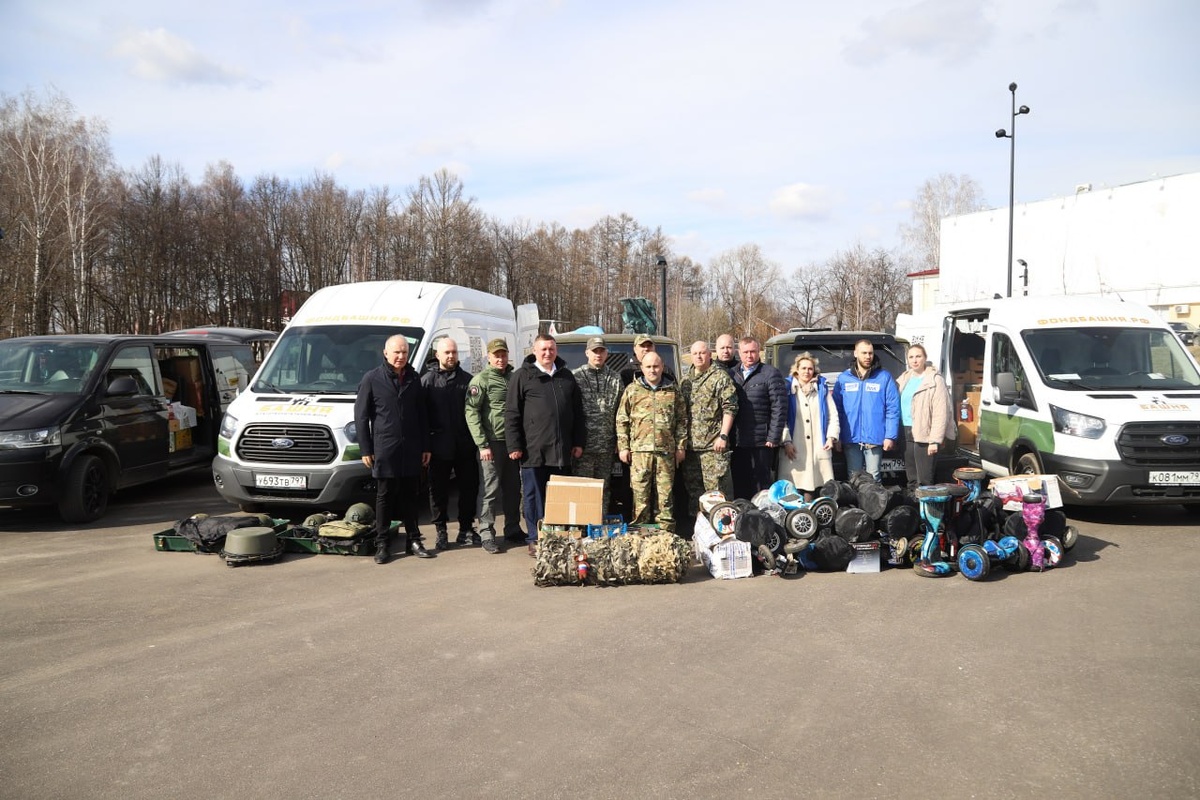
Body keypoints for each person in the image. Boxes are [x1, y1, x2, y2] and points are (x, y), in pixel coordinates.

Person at [354, 334, 435, 565]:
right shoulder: (372, 379)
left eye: (404, 352)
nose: (401, 356)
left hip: (411, 447)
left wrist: (425, 446)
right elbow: (361, 417)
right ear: (386, 353)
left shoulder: (414, 378)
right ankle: (382, 543)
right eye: (396, 352)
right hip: (384, 448)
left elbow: (422, 414)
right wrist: (365, 449)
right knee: (385, 496)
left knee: (411, 496)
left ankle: (414, 540)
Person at [505, 334, 586, 557]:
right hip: (533, 450)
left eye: (551, 349)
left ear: (556, 350)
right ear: (534, 350)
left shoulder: (566, 377)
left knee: (559, 497)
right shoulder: (522, 376)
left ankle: (557, 537)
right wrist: (514, 445)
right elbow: (512, 413)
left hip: (561, 450)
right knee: (533, 496)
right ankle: (535, 538)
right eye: (543, 349)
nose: (547, 353)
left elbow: (578, 413)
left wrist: (579, 441)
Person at [421, 337, 481, 551]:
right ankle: (441, 531)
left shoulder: (468, 380)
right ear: (437, 355)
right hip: (438, 448)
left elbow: (477, 413)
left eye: (454, 352)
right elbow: (421, 418)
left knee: (468, 488)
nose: (451, 356)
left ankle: (466, 528)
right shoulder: (427, 382)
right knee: (438, 491)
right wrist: (426, 446)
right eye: (446, 352)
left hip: (465, 446)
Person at [465, 338, 523, 554]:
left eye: (503, 354)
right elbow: (471, 413)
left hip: (512, 444)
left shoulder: (513, 377)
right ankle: (486, 533)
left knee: (513, 489)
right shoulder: (481, 380)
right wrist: (482, 444)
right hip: (491, 444)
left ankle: (513, 528)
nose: (500, 358)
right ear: (488, 357)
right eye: (496, 355)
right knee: (489, 490)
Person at [617, 351, 687, 531]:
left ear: (662, 367)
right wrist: (623, 447)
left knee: (665, 496)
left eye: (656, 366)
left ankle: (665, 532)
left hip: (666, 451)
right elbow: (622, 420)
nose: (652, 370)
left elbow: (682, 420)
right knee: (640, 494)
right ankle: (640, 531)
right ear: (642, 368)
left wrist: (680, 446)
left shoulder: (673, 390)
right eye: (648, 367)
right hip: (640, 452)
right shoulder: (632, 390)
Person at [680, 339, 737, 512]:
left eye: (702, 353)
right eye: (695, 353)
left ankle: (723, 531)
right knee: (694, 494)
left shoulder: (720, 377)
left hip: (713, 448)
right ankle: (699, 531)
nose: (698, 356)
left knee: (717, 494)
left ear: (709, 354)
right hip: (691, 449)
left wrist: (723, 436)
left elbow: (730, 408)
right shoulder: (685, 381)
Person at [833, 338, 901, 482]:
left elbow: (892, 408)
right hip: (851, 437)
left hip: (875, 438)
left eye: (870, 353)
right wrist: (837, 436)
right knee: (853, 478)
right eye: (864, 353)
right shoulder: (844, 378)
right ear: (855, 353)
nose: (868, 356)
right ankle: (856, 505)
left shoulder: (884, 377)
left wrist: (890, 436)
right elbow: (836, 410)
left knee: (874, 477)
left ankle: (873, 505)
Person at [730, 336, 788, 499]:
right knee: (740, 482)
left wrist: (773, 436)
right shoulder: (731, 374)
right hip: (738, 440)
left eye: (753, 352)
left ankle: (763, 517)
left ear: (758, 352)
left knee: (761, 484)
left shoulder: (770, 374)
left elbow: (780, 407)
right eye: (746, 352)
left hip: (762, 440)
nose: (749, 355)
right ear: (739, 353)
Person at [572, 336, 623, 515]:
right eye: (594, 351)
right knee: (583, 487)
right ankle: (583, 523)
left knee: (604, 487)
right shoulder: (576, 376)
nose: (598, 354)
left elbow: (621, 413)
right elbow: (571, 412)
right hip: (583, 447)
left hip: (607, 446)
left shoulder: (615, 378)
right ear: (587, 353)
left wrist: (620, 441)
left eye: (601, 351)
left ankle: (598, 523)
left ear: (607, 353)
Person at [779, 353, 839, 500]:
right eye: (803, 368)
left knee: (815, 491)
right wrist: (786, 441)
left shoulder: (822, 390)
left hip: (818, 449)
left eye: (810, 369)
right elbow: (780, 418)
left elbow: (833, 415)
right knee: (791, 491)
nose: (807, 371)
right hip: (794, 449)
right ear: (796, 370)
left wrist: (831, 437)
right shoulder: (786, 389)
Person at [896, 343, 954, 490]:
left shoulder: (935, 380)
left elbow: (941, 413)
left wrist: (934, 440)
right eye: (911, 357)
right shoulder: (904, 378)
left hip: (925, 434)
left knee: (925, 479)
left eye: (918, 356)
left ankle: (927, 511)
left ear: (925, 358)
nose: (914, 360)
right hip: (906, 431)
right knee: (911, 478)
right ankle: (912, 507)